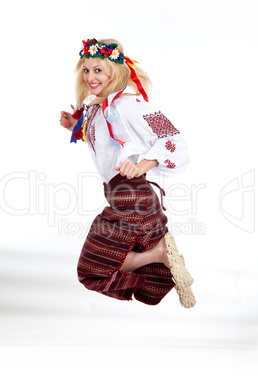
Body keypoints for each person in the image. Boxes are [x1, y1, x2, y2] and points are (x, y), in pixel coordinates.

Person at [60, 38, 196, 308]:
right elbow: (113, 147)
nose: (90, 77)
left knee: (92, 270)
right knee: (95, 268)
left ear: (115, 71)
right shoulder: (101, 108)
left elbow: (174, 140)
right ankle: (159, 255)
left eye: (98, 70)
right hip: (122, 197)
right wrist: (78, 127)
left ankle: (159, 253)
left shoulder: (129, 105)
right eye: (86, 70)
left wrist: (143, 164)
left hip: (133, 198)